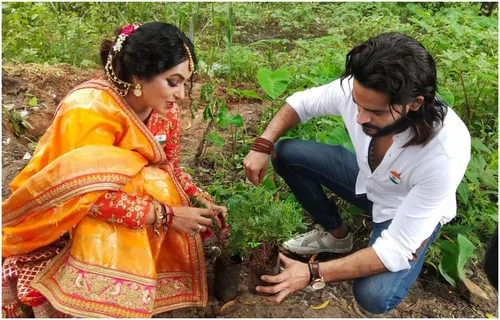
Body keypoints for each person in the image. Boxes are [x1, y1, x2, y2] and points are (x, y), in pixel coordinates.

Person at [2, 22, 228, 318]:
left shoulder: (165, 114)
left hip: (127, 203)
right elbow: (86, 196)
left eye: (186, 83)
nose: (181, 95)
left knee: (156, 181)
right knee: (148, 185)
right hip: (63, 210)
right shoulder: (88, 110)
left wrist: (200, 200)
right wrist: (168, 216)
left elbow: (169, 168)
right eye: (173, 82)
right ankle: (98, 294)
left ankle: (141, 278)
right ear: (138, 76)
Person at [243, 32, 471, 314]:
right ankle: (338, 237)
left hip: (404, 207)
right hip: (369, 179)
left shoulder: (444, 152)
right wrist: (262, 144)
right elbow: (301, 104)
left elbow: (396, 249)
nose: (360, 117)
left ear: (414, 103)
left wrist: (312, 272)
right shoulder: (361, 90)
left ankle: (419, 239)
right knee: (285, 152)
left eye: (374, 112)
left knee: (374, 295)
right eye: (358, 105)